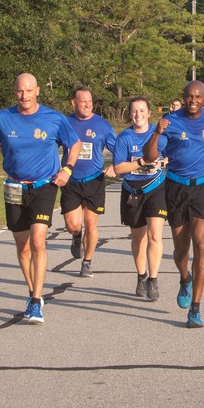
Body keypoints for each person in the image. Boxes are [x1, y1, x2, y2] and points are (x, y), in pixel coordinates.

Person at [0, 73, 81, 324]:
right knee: (23, 246)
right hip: (15, 186)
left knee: (39, 242)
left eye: (29, 91)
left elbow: (74, 144)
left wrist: (67, 169)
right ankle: (33, 294)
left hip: (44, 185)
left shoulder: (54, 118)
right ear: (14, 91)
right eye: (20, 91)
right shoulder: (3, 118)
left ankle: (37, 300)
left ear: (37, 91)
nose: (24, 96)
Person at [143, 80, 204, 328]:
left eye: (197, 97)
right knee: (181, 251)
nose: (193, 101)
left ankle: (195, 309)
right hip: (175, 187)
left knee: (201, 244)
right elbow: (149, 156)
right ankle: (185, 278)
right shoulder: (170, 121)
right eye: (189, 97)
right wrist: (156, 133)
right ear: (183, 97)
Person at [112, 97, 167, 301]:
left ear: (149, 113)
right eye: (134, 111)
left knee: (155, 235)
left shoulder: (160, 134)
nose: (138, 115)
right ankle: (141, 274)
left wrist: (160, 163)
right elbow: (118, 168)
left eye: (142, 110)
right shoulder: (124, 137)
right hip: (132, 191)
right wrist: (142, 162)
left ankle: (153, 278)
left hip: (156, 188)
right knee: (138, 237)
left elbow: (169, 156)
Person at [62, 87, 117, 278]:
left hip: (94, 179)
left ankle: (87, 262)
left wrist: (115, 166)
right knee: (72, 224)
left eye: (90, 101)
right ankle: (76, 236)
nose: (87, 105)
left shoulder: (102, 125)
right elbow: (49, 145)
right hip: (71, 179)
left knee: (90, 223)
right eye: (83, 101)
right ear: (73, 103)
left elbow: (117, 149)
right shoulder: (65, 123)